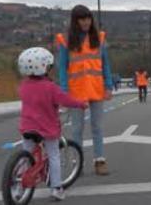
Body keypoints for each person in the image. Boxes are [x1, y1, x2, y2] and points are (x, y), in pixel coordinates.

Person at [17, 47, 88, 201]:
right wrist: (81, 104)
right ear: (44, 67)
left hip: (27, 128)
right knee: (54, 156)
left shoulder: (23, 86)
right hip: (46, 129)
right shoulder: (51, 87)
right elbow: (65, 100)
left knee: (26, 156)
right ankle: (56, 188)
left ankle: (19, 186)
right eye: (49, 66)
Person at [56, 5, 114, 176]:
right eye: (82, 19)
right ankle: (77, 164)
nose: (86, 22)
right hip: (76, 91)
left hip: (96, 89)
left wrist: (108, 85)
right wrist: (64, 91)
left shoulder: (99, 38)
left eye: (88, 18)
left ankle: (100, 161)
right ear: (75, 21)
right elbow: (62, 68)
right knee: (77, 129)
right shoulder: (66, 41)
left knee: (97, 127)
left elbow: (105, 65)